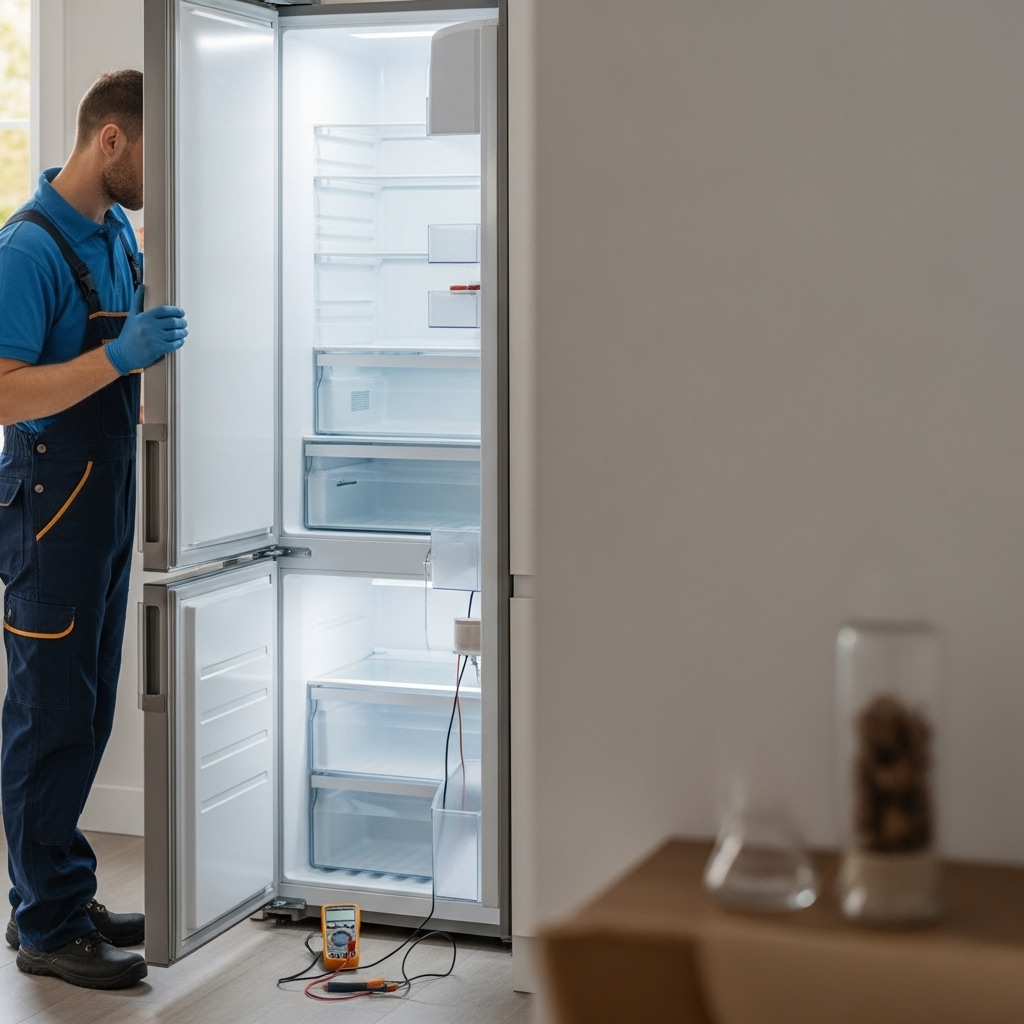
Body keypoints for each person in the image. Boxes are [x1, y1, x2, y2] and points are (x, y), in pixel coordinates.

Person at [0, 69, 187, 990]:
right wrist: (117, 356)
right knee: (47, 716)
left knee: (90, 706)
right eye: (155, 152)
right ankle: (44, 924)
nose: (163, 174)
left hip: (108, 499)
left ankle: (61, 894)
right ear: (110, 140)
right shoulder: (26, 251)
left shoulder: (116, 230)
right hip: (51, 502)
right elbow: (2, 391)